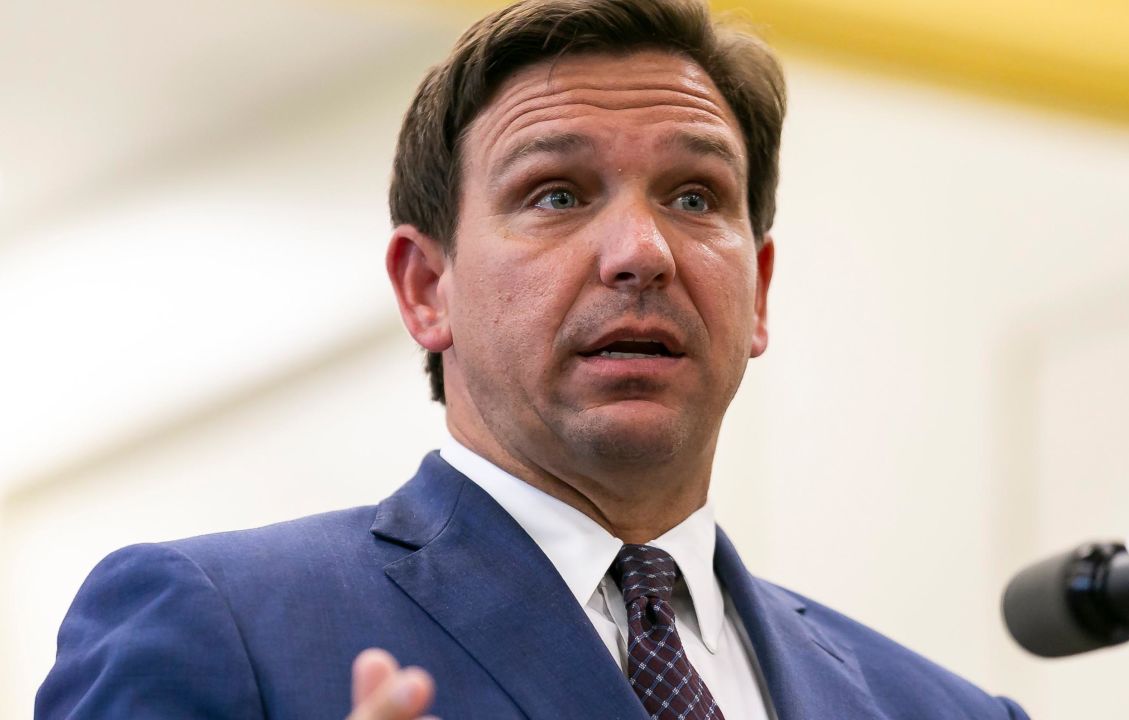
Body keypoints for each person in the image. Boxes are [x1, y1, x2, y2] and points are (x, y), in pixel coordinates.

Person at [36, 1, 1030, 718]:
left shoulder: (941, 711)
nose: (641, 253)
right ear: (427, 289)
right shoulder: (221, 627)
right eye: (555, 194)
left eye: (694, 197)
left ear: (758, 289)